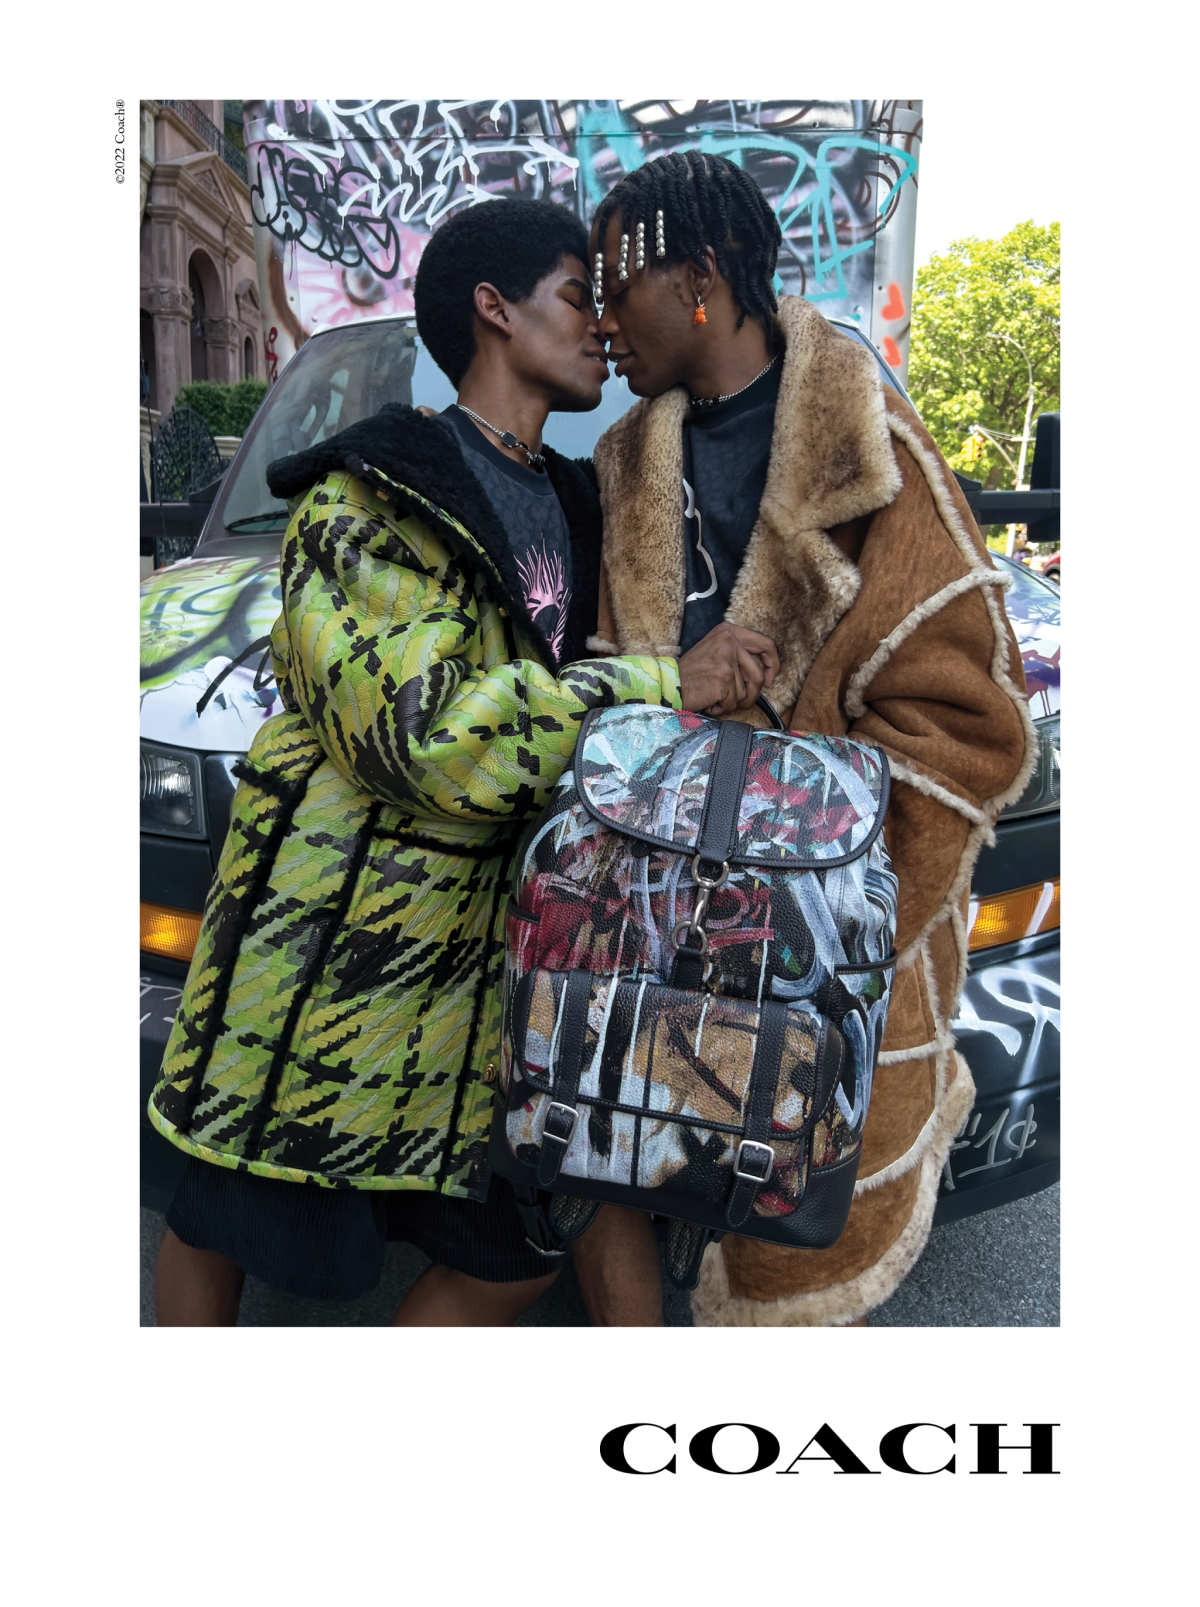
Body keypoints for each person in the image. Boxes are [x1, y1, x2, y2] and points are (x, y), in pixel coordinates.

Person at [149, 196, 778, 1326]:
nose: (603, 326)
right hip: (329, 948)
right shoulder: (369, 488)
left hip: (495, 963)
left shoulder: (584, 503)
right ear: (494, 308)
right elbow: (422, 731)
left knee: (513, 1247)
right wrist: (660, 681)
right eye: (578, 297)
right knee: (220, 1211)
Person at [569, 151, 1035, 1327]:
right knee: (612, 1171)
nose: (602, 317)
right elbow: (597, 686)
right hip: (647, 923)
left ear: (698, 280)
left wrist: (826, 928)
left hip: (814, 947)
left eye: (619, 285)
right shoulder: (624, 464)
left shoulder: (868, 443)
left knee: (784, 1249)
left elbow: (969, 718)